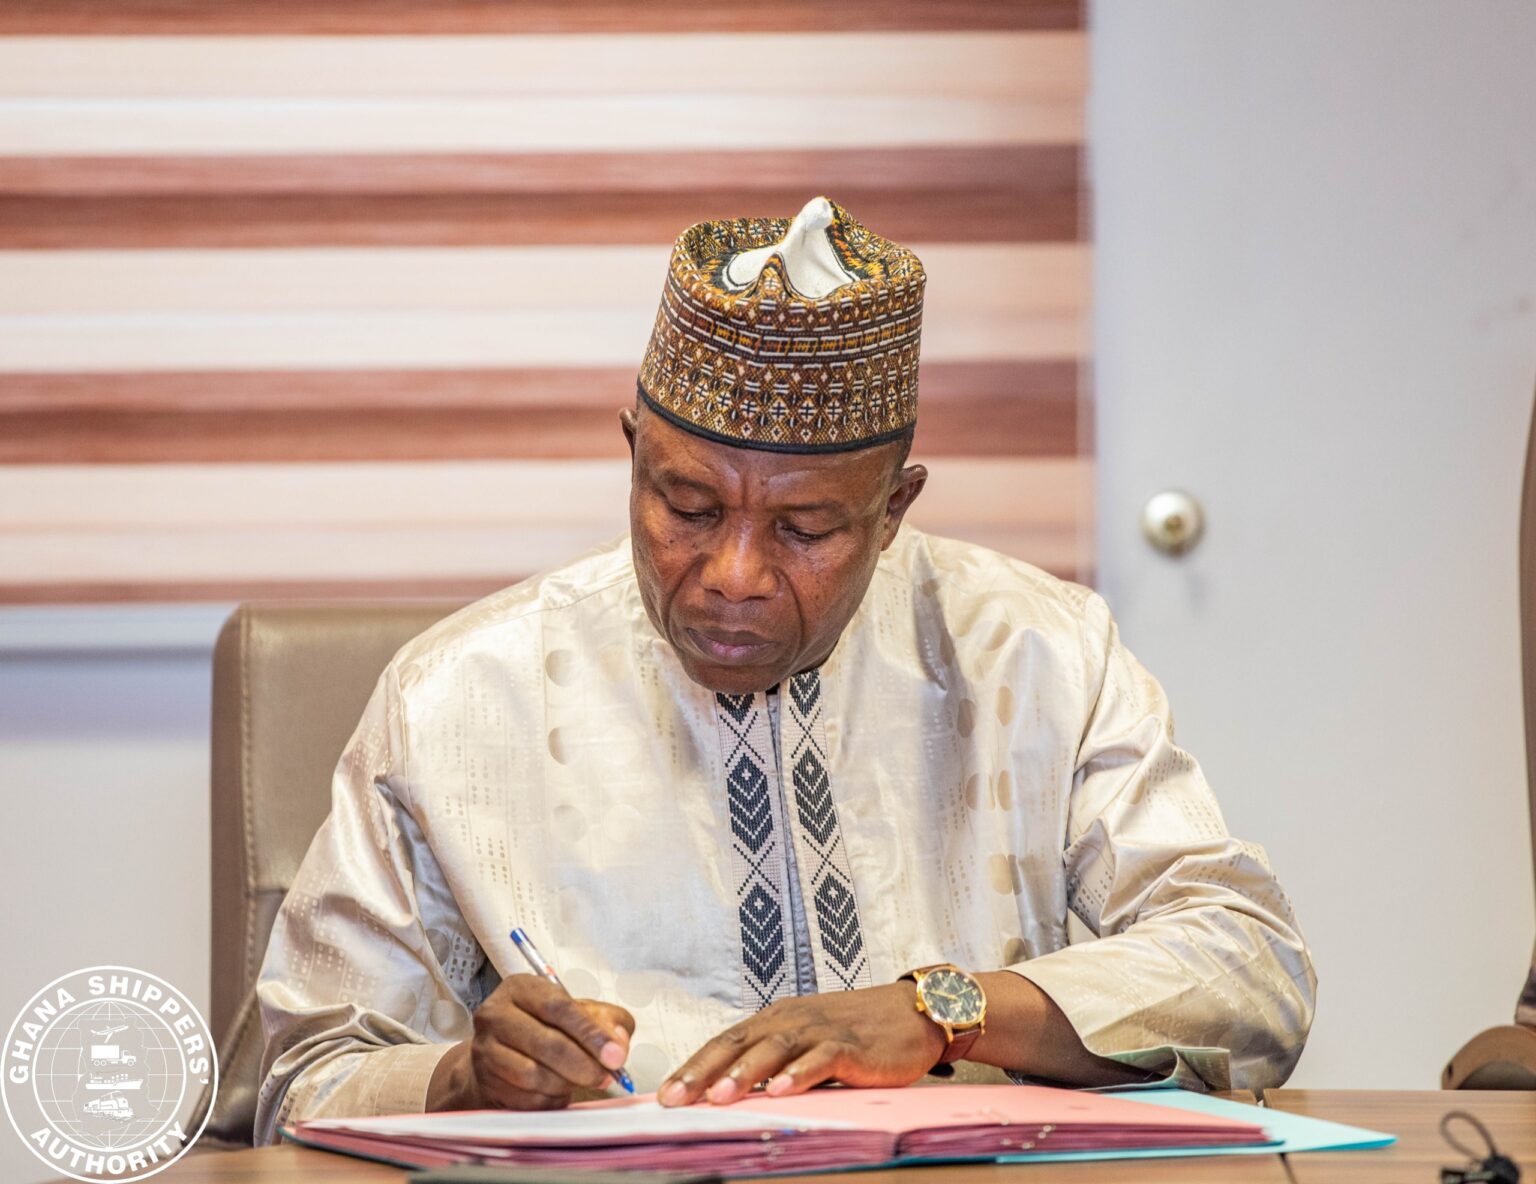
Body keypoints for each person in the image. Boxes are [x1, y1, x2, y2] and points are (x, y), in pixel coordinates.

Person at [254, 197, 1315, 1145]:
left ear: (894, 510)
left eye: (806, 528)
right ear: (632, 454)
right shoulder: (454, 696)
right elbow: (302, 1080)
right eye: (687, 506)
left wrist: (942, 1012)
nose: (734, 575)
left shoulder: (1040, 651)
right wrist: (463, 1078)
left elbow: (1250, 966)